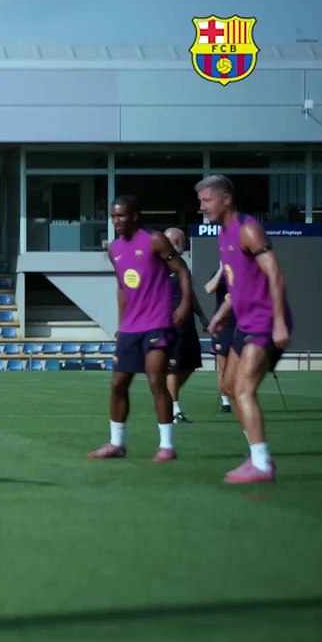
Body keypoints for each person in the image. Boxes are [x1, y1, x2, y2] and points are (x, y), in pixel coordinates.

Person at [199, 175, 292, 484]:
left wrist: (279, 321)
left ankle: (262, 464)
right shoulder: (222, 235)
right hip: (243, 323)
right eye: (201, 201)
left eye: (207, 200)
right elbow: (236, 282)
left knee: (243, 389)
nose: (202, 207)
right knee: (228, 387)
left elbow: (275, 275)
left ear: (226, 199)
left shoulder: (248, 230)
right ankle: (256, 454)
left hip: (265, 323)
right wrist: (223, 313)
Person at [88, 195, 192, 463]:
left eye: (121, 215)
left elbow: (182, 271)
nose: (116, 221)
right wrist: (121, 325)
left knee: (156, 380)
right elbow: (122, 287)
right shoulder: (114, 249)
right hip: (131, 327)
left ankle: (167, 446)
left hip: (157, 322)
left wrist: (185, 306)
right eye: (113, 216)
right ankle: (116, 444)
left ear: (135, 215)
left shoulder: (155, 240)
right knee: (117, 384)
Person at [162, 227, 210, 424]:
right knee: (173, 366)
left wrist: (202, 316)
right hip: (171, 324)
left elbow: (190, 293)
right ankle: (174, 409)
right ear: (174, 241)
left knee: (191, 363)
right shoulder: (159, 265)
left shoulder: (181, 265)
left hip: (188, 324)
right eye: (183, 240)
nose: (186, 244)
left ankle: (167, 396)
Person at [204, 265, 235, 413]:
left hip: (240, 325)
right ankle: (225, 401)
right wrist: (221, 270)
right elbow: (209, 289)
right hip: (222, 327)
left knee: (239, 366)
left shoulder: (241, 272)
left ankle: (239, 396)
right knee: (223, 366)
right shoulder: (219, 274)